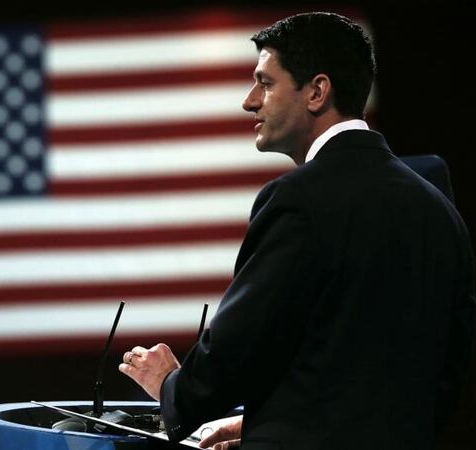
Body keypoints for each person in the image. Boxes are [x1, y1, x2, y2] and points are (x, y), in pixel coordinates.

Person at [118, 12, 475, 450]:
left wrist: (173, 388)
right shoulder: (439, 208)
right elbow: (445, 371)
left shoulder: (298, 200)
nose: (250, 101)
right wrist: (267, 423)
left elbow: (239, 348)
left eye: (265, 83)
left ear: (317, 91)